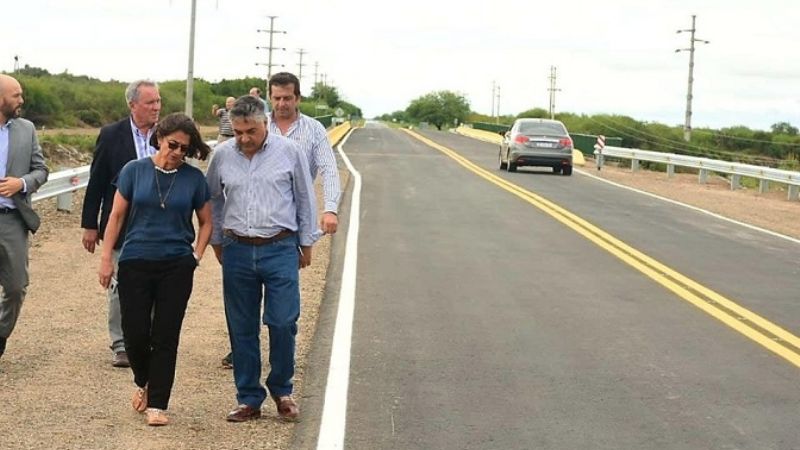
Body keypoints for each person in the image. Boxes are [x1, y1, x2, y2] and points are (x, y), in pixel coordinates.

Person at [218, 72, 342, 370]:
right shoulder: (254, 125)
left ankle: (281, 361)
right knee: (244, 302)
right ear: (268, 99)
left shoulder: (313, 131)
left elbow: (327, 169)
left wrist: (330, 209)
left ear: (297, 98)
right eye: (276, 98)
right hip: (247, 225)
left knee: (282, 309)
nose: (282, 103)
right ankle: (244, 353)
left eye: (288, 98)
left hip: (285, 224)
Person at [206, 95, 317, 422]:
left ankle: (282, 389)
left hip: (280, 247)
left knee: (282, 321)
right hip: (237, 248)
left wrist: (306, 243)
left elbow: (304, 198)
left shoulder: (289, 152)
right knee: (241, 326)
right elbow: (212, 197)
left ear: (265, 123)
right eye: (238, 132)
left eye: (250, 131)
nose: (243, 138)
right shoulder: (223, 155)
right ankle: (249, 398)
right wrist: (216, 241)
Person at [97, 113, 212, 426]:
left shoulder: (193, 179)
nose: (177, 152)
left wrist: (196, 255)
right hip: (134, 261)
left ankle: (158, 404)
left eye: (184, 149)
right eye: (173, 144)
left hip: (176, 265)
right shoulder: (133, 171)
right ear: (159, 137)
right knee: (134, 334)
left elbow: (206, 222)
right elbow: (116, 217)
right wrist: (106, 258)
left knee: (166, 335)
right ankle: (143, 382)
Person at [81, 79, 161, 368]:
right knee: (120, 283)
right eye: (150, 102)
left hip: (157, 223)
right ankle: (120, 343)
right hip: (121, 222)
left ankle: (146, 337)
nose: (156, 107)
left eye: (158, 101)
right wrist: (90, 223)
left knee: (153, 281)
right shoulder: (112, 135)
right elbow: (98, 180)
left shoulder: (165, 135)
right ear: (133, 105)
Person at [0, 74, 49, 360]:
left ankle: (2, 332)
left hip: (12, 219)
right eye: (16, 95)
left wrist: (22, 183)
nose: (22, 100)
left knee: (16, 287)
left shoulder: (26, 129)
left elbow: (41, 170)